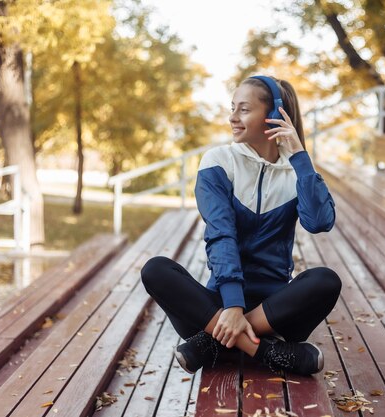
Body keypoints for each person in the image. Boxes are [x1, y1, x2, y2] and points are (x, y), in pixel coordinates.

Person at [140, 75, 341, 376]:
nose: (232, 118)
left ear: (272, 115)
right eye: (233, 108)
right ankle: (265, 351)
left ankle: (211, 344)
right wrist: (232, 307)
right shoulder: (218, 162)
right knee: (155, 269)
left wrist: (299, 156)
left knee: (326, 280)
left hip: (275, 311)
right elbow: (221, 234)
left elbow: (320, 222)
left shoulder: (297, 172)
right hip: (215, 308)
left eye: (243, 109)